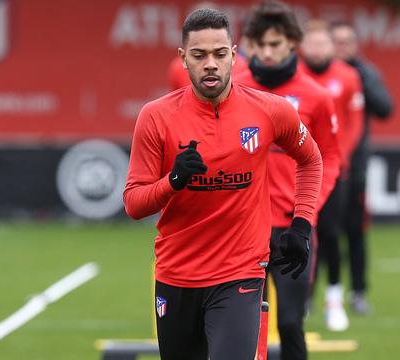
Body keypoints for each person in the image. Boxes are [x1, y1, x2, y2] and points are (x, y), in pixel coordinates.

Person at [123, 8, 323, 360]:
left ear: (234, 54)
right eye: (199, 55)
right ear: (183, 59)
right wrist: (173, 180)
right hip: (177, 275)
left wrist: (302, 224)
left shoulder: (271, 110)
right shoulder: (155, 117)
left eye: (219, 54)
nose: (210, 64)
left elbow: (311, 159)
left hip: (240, 273)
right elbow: (134, 204)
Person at [235, 2, 341, 358]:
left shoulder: (316, 96)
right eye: (260, 44)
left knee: (292, 323)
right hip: (242, 228)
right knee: (240, 325)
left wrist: (306, 212)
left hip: (291, 230)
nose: (266, 52)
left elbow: (329, 157)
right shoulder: (233, 89)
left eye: (275, 44)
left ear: (292, 43)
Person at [299, 19, 365, 332]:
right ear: (302, 47)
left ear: (331, 47)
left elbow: (354, 123)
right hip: (298, 171)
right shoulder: (294, 77)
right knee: (298, 234)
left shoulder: (348, 76)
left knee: (330, 234)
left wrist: (339, 158)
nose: (317, 50)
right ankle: (303, 298)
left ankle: (334, 301)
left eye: (322, 44)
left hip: (334, 171)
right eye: (311, 44)